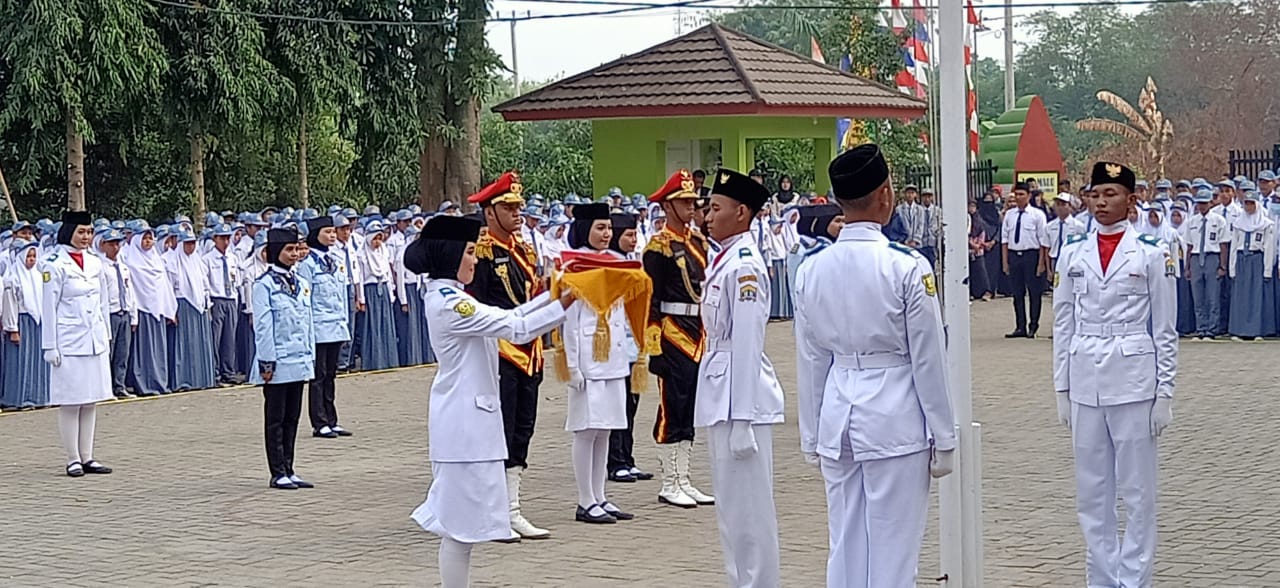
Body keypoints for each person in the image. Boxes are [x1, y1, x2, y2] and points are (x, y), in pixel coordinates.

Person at [795, 144, 955, 588]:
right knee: (894, 551)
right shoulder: (907, 266)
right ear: (885, 195)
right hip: (894, 417)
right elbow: (928, 358)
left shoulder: (811, 269)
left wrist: (812, 433)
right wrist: (944, 434)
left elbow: (811, 358)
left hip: (838, 416)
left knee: (846, 543)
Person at [405, 215, 572, 587]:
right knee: (458, 530)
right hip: (463, 427)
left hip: (469, 422)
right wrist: (568, 303)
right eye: (469, 252)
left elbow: (510, 315)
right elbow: (518, 329)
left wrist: (553, 295)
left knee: (463, 531)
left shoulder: (453, 297)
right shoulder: (450, 304)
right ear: (450, 256)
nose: (475, 260)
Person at [1052, 161, 1176, 588]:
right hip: (1086, 375)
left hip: (1133, 377)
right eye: (1095, 194)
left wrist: (1165, 391)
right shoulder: (1073, 251)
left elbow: (1165, 328)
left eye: (1111, 194)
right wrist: (1062, 386)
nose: (1101, 202)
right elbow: (1063, 322)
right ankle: (1103, 578)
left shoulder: (1152, 252)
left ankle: (1135, 578)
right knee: (1092, 491)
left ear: (1131, 199)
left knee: (1138, 491)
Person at [698, 169, 785, 587]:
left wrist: (744, 418)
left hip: (739, 397)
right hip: (722, 392)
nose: (707, 216)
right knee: (731, 511)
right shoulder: (725, 259)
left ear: (741, 212)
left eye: (716, 208)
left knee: (750, 513)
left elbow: (748, 343)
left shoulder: (745, 266)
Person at [467, 170, 553, 539]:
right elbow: (476, 306)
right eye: (509, 208)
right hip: (499, 351)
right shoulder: (483, 253)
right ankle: (493, 509)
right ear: (490, 212)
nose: (518, 213)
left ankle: (511, 506)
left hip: (528, 349)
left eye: (519, 207)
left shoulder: (524, 249)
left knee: (523, 428)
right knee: (498, 431)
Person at [558, 203, 636, 524]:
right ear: (584, 230)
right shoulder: (574, 266)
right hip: (588, 359)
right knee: (586, 430)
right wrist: (572, 366)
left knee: (605, 429)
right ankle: (584, 499)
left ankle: (600, 495)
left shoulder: (616, 262)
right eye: (600, 228)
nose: (606, 234)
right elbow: (569, 321)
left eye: (608, 228)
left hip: (613, 357)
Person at [643, 169, 715, 508]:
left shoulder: (697, 243)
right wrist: (653, 346)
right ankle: (669, 481)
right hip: (672, 331)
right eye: (684, 202)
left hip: (696, 329)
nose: (691, 207)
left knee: (689, 407)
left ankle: (684, 478)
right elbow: (650, 300)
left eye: (692, 201)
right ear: (668, 206)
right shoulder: (657, 248)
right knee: (672, 404)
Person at [42, 211, 116, 477]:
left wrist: (106, 335)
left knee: (90, 399)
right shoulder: (54, 263)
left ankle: (88, 456)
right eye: (81, 232)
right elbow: (49, 307)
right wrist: (50, 345)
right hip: (69, 340)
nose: (86, 237)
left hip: (93, 338)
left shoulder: (95, 263)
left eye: (89, 232)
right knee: (71, 400)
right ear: (69, 232)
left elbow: (103, 302)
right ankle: (72, 458)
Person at [252, 227, 317, 490]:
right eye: (289, 250)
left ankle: (290, 468)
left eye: (296, 249)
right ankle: (277, 471)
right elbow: (263, 326)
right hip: (278, 361)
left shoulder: (301, 283)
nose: (294, 254)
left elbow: (307, 322)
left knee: (293, 417)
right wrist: (267, 361)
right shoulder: (264, 285)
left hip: (299, 359)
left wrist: (310, 355)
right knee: (276, 418)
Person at [605, 212, 653, 483]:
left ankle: (627, 457)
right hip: (616, 344)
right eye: (629, 235)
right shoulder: (609, 265)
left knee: (631, 404)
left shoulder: (632, 263)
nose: (634, 239)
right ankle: (615, 461)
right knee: (618, 404)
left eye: (635, 234)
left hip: (634, 343)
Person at [297, 216, 353, 439]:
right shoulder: (307, 265)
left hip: (336, 324)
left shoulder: (336, 260)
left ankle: (332, 419)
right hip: (319, 327)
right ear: (315, 235)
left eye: (333, 232)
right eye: (327, 232)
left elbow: (342, 294)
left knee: (331, 374)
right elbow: (305, 300)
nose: (332, 235)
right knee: (318, 376)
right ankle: (319, 422)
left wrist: (345, 321)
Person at [122, 226, 175, 396]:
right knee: (143, 349)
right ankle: (144, 384)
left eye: (150, 238)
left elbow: (165, 286)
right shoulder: (131, 261)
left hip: (158, 311)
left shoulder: (156, 260)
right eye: (144, 238)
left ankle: (159, 382)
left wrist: (170, 309)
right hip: (141, 310)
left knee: (158, 349)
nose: (147, 242)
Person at [165, 229, 217, 391]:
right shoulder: (173, 262)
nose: (191, 247)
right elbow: (169, 288)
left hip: (200, 307)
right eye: (187, 243)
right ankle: (184, 380)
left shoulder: (198, 261)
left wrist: (207, 303)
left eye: (193, 243)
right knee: (184, 343)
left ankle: (202, 379)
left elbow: (204, 284)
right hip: (182, 305)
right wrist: (171, 310)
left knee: (201, 343)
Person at [1, 239, 49, 409]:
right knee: (21, 361)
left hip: (37, 323)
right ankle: (18, 398)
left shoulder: (38, 276)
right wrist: (12, 328)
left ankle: (39, 397)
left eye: (34, 256)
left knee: (37, 360)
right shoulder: (13, 278)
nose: (32, 259)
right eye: (29, 256)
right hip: (22, 322)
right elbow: (10, 305)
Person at [1001, 182, 1048, 338]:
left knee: (1034, 293)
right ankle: (1020, 326)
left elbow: (1043, 241)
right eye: (1016, 194)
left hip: (1031, 255)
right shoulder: (1009, 215)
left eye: (1022, 194)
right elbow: (1005, 240)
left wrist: (1041, 263)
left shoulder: (1037, 215)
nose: (1018, 197)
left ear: (1029, 196)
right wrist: (1005, 262)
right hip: (1014, 255)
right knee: (1017, 293)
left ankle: (1033, 325)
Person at [1226, 191, 1276, 339]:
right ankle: (1239, 330)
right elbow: (1234, 246)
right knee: (1240, 296)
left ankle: (1256, 331)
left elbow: (1268, 248)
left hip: (1256, 260)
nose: (1248, 207)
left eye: (1251, 203)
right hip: (1242, 260)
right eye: (1246, 203)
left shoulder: (1266, 224)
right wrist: (1232, 268)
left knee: (1256, 296)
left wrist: (1267, 270)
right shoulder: (1238, 223)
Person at [1185, 189, 1231, 340]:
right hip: (1196, 258)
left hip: (1212, 257)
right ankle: (1201, 328)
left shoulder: (1218, 220)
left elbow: (1223, 244)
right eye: (1199, 203)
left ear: (1210, 203)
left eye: (1204, 203)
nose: (1202, 206)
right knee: (1198, 296)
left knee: (1213, 296)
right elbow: (1189, 245)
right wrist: (1187, 266)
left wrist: (1222, 265)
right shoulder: (1192, 221)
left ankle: (1212, 329)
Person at [97, 229, 137, 399]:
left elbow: (130, 291)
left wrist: (133, 315)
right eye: (111, 244)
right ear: (103, 245)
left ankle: (119, 385)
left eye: (117, 244)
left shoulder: (123, 266)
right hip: (110, 314)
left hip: (124, 312)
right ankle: (105, 387)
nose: (115, 247)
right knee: (109, 352)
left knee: (123, 352)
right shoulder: (101, 267)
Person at [356, 220, 399, 371]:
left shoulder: (384, 252)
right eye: (375, 239)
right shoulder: (361, 255)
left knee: (386, 323)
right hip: (370, 291)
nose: (377, 242)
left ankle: (388, 359)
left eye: (380, 239)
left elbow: (388, 274)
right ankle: (374, 361)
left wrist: (391, 293)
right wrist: (361, 298)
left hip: (384, 291)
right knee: (372, 325)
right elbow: (360, 278)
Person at [204, 223, 242, 385]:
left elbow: (237, 280)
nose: (226, 242)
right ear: (215, 239)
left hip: (230, 299)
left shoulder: (232, 258)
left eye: (228, 238)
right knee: (216, 337)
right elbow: (206, 283)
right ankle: (215, 371)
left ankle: (228, 370)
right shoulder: (207, 259)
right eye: (222, 238)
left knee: (229, 337)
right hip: (216, 299)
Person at [1043, 192, 1086, 277]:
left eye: (1063, 205)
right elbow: (1047, 248)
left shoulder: (1078, 225)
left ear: (1070, 206)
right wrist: (1048, 269)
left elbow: (1082, 246)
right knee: (1057, 282)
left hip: (1071, 259)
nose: (1060, 208)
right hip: (1055, 259)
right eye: (1058, 204)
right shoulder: (1049, 226)